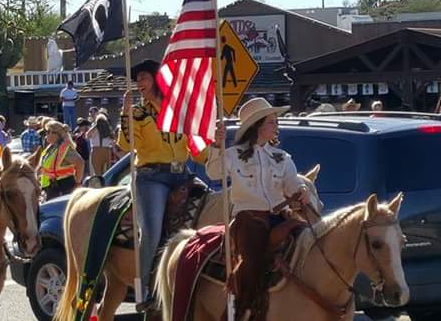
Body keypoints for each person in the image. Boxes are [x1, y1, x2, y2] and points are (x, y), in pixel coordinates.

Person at [207, 97, 311, 320]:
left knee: (309, 240)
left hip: (280, 217)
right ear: (257, 127)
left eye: (276, 121)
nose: (277, 126)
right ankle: (239, 310)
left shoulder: (282, 157)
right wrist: (217, 145)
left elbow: (292, 182)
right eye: (272, 122)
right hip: (249, 220)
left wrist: (301, 189)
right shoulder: (234, 155)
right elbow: (214, 173)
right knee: (250, 264)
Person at [117, 59, 207, 311]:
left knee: (209, 209)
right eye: (138, 80)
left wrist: (215, 145)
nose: (139, 84)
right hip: (151, 176)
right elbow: (126, 145)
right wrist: (125, 112)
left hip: (182, 174)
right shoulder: (138, 113)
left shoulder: (179, 111)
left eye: (144, 78)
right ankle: (144, 289)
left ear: (157, 80)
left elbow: (197, 150)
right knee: (152, 232)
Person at [38, 120, 84, 200]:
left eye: (49, 131)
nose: (46, 134)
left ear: (57, 135)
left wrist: (78, 183)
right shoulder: (51, 148)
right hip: (51, 188)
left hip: (63, 188)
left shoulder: (64, 149)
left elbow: (80, 162)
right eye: (46, 131)